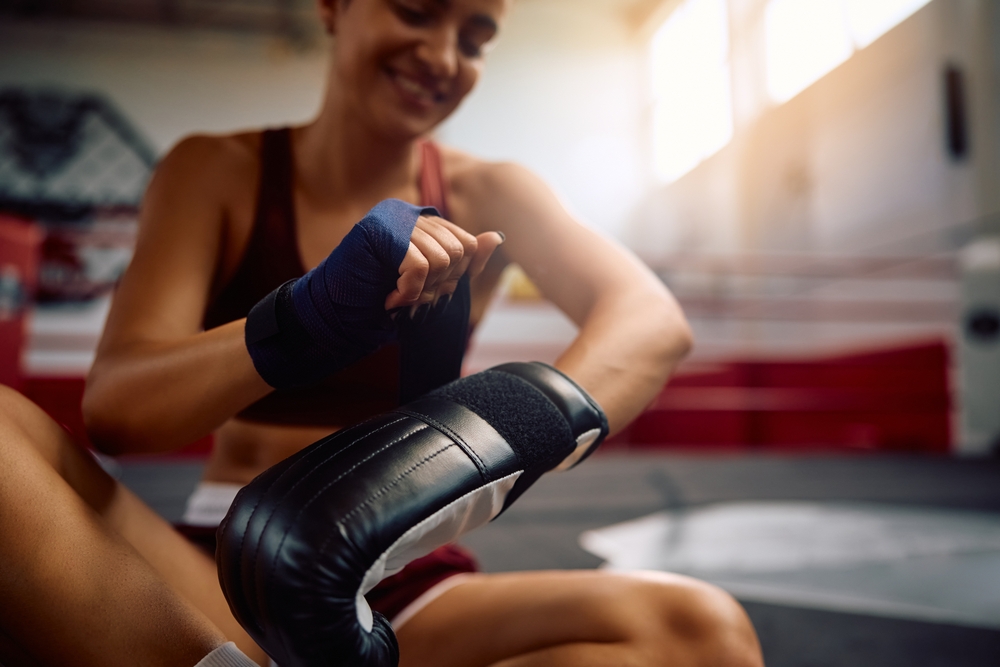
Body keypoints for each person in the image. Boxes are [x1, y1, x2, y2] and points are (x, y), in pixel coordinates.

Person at [0, 0, 765, 664]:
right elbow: (119, 411)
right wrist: (303, 319)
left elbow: (650, 320)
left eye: (476, 36)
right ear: (334, 6)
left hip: (394, 577)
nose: (442, 56)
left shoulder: (485, 191)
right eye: (415, 9)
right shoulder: (218, 171)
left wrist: (468, 448)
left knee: (701, 633)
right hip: (209, 564)